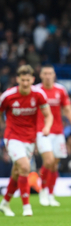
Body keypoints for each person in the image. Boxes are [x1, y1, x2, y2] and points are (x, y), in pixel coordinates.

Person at [0, 65, 53, 216]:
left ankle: (4, 203)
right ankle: (26, 207)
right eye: (22, 80)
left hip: (30, 139)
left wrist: (47, 127)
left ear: (32, 80)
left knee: (17, 172)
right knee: (24, 167)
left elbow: (48, 115)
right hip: (12, 137)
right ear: (17, 79)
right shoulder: (8, 96)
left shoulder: (38, 94)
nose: (25, 83)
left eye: (27, 80)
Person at [36, 65, 71, 206]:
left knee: (55, 165)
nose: (48, 76)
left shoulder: (60, 90)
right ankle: (43, 191)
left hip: (58, 132)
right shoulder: (37, 91)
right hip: (42, 131)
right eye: (45, 73)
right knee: (48, 161)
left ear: (54, 75)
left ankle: (50, 194)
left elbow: (68, 109)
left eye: (50, 73)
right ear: (41, 75)